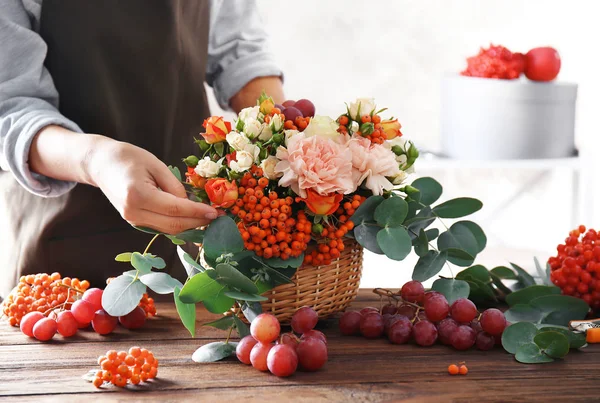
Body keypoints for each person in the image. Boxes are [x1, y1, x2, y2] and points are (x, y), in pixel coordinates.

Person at [0, 0, 284, 298]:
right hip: (63, 253)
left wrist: (285, 141)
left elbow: (240, 52)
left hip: (195, 244)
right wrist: (95, 159)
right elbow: (11, 107)